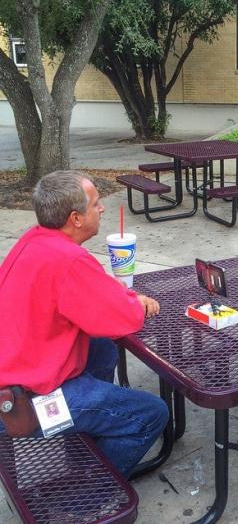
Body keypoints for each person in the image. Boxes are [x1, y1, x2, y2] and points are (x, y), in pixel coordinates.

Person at [0, 171, 169, 478]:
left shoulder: (35, 240)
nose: (102, 209)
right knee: (152, 413)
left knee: (102, 349)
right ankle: (94, 490)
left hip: (17, 373)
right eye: (95, 204)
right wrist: (138, 303)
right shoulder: (68, 260)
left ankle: (89, 432)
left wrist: (118, 293)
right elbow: (123, 318)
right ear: (76, 218)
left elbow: (91, 292)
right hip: (21, 405)